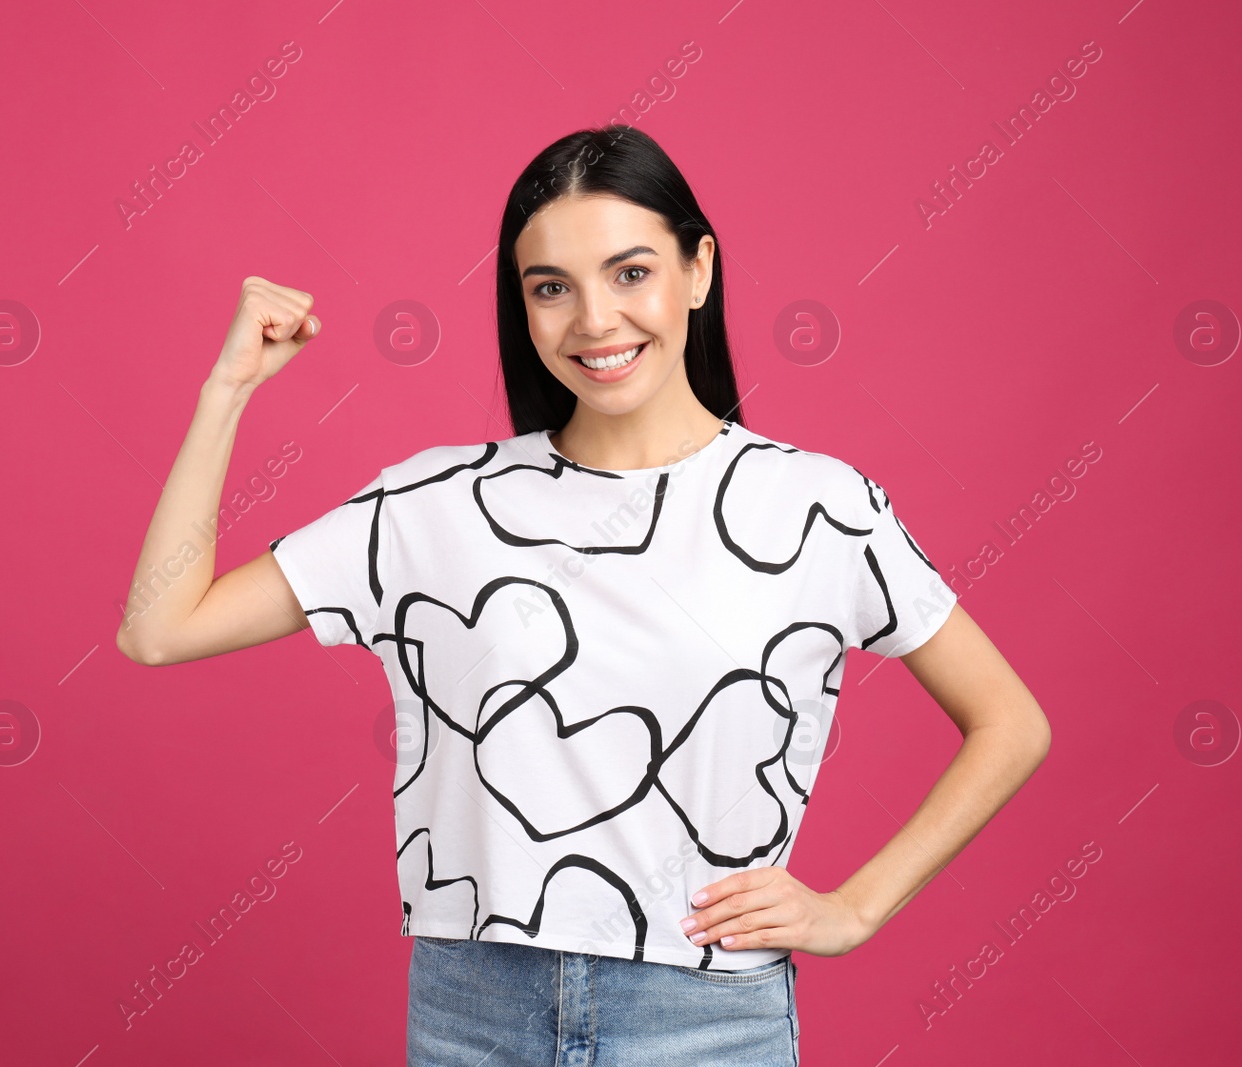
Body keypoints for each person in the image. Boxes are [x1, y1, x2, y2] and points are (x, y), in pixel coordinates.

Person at [116, 126, 1050, 1065]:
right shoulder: (436, 503)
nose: (595, 319)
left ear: (699, 269)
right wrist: (227, 389)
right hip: (473, 1011)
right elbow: (160, 626)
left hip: (706, 1018)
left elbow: (1011, 721)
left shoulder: (815, 506)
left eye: (631, 272)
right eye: (551, 288)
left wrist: (855, 907)